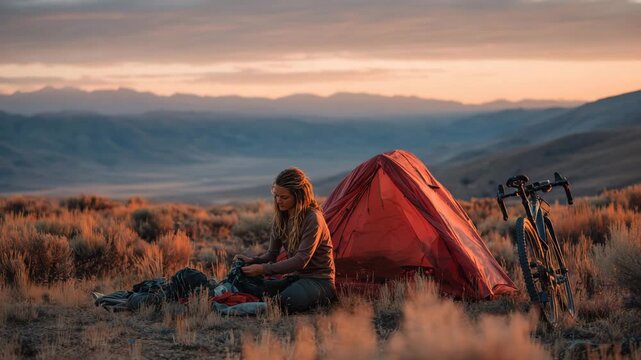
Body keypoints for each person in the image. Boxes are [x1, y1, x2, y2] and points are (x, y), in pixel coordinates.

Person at [235, 167, 337, 313]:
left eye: (284, 197)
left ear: (298, 196)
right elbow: (271, 255)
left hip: (319, 281)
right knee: (248, 286)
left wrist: (263, 269)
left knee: (284, 301)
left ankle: (257, 308)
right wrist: (252, 261)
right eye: (276, 196)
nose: (278, 201)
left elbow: (301, 260)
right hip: (295, 278)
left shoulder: (313, 218)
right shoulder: (281, 218)